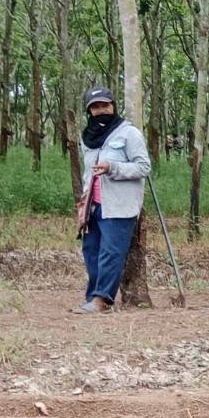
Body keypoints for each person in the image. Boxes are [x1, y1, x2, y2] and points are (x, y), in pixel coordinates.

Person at [76, 86, 150, 313]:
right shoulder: (87, 137)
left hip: (119, 205)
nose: (101, 110)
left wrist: (113, 167)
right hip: (93, 204)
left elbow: (143, 167)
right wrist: (84, 199)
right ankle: (92, 296)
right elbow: (88, 172)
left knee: (111, 252)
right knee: (91, 251)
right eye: (95, 107)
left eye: (105, 105)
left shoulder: (129, 133)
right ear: (89, 111)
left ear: (113, 106)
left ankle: (103, 300)